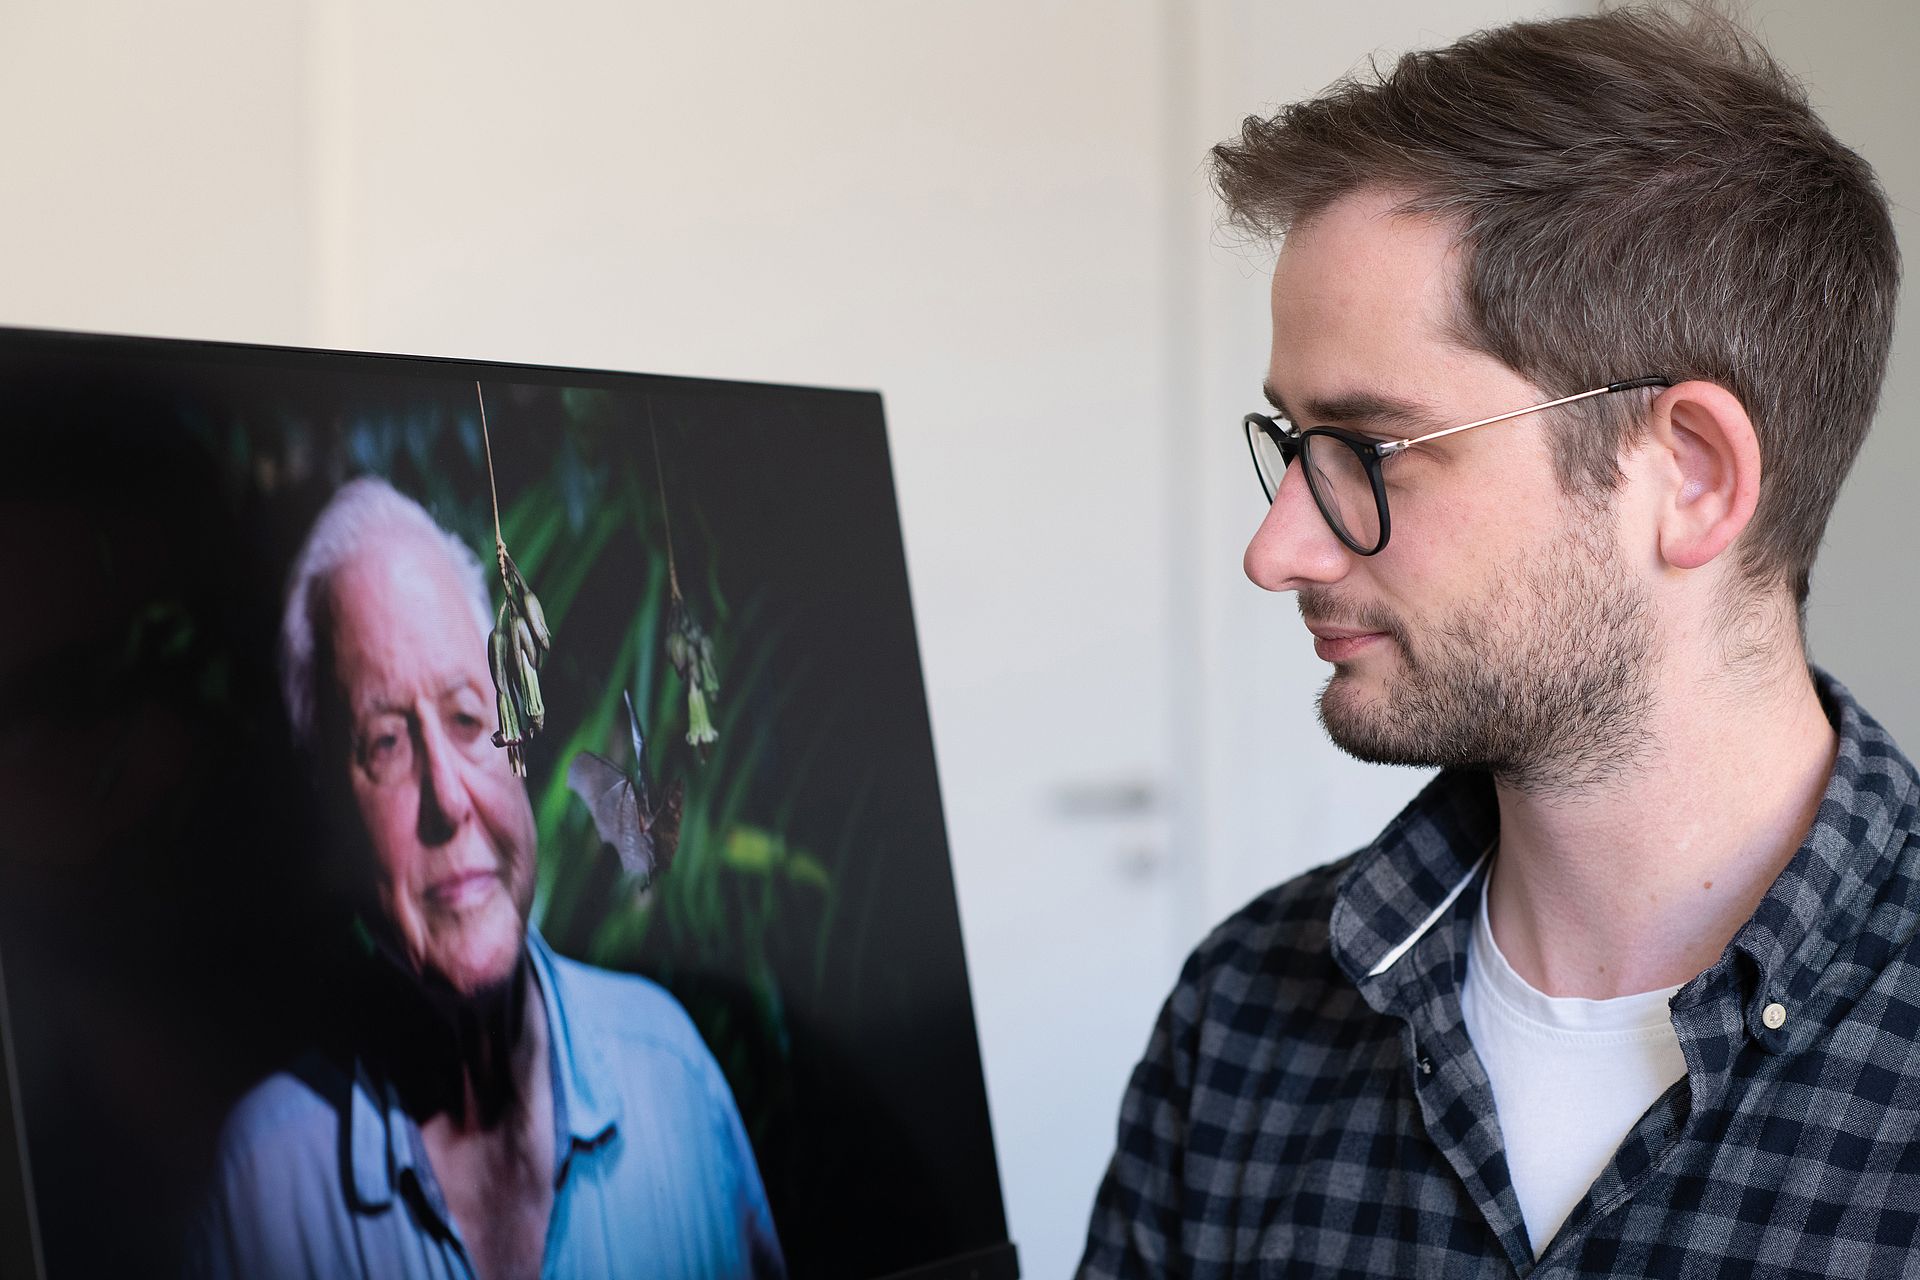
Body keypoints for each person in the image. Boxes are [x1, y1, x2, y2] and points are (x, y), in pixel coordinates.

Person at [1081, 8, 1909, 1277]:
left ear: (1687, 477)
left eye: (1364, 452)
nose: (1278, 550)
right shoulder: (1241, 1015)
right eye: (1291, 446)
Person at [190, 476, 785, 1279]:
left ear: (520, 746)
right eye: (386, 743)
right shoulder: (261, 1194)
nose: (449, 798)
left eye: (472, 718)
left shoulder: (673, 1079)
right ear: (331, 815)